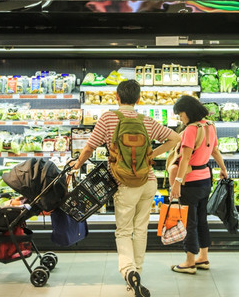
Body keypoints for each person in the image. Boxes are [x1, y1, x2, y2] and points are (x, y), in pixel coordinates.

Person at [71, 79, 180, 297]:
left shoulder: (108, 118)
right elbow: (175, 138)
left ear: (116, 97)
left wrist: (76, 165)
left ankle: (128, 270)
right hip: (147, 181)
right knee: (140, 230)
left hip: (124, 183)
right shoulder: (146, 120)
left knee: (123, 231)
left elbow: (90, 147)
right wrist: (152, 155)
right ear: (138, 99)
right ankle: (137, 273)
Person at [168, 95, 228, 274]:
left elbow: (185, 158)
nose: (180, 118)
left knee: (189, 222)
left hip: (190, 181)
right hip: (205, 179)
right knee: (202, 220)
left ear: (189, 111)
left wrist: (177, 182)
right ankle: (203, 257)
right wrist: (223, 169)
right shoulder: (210, 125)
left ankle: (189, 261)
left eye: (181, 114)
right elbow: (215, 150)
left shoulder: (191, 129)